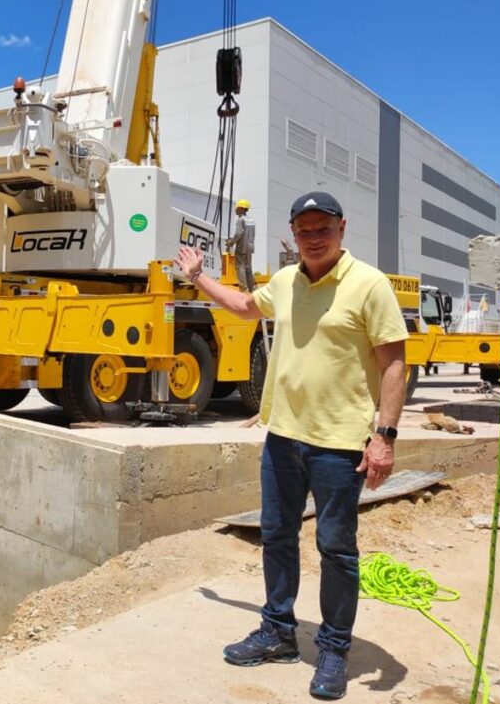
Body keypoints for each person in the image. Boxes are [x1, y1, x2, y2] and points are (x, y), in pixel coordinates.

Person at [174, 191, 408, 700]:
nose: (314, 237)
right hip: (283, 437)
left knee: (336, 548)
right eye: (304, 230)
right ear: (294, 235)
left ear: (341, 229)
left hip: (340, 445)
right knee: (277, 537)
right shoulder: (284, 281)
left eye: (322, 228)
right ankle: (278, 631)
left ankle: (333, 647)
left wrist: (384, 436)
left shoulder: (369, 285)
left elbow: (394, 362)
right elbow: (241, 305)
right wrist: (197, 276)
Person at [225, 198, 256, 291]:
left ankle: (244, 289)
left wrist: (230, 243)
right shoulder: (251, 220)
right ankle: (252, 287)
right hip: (250, 248)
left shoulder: (240, 220)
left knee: (240, 267)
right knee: (248, 267)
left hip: (241, 247)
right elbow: (253, 234)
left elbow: (238, 234)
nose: (235, 209)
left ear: (242, 208)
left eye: (237, 207)